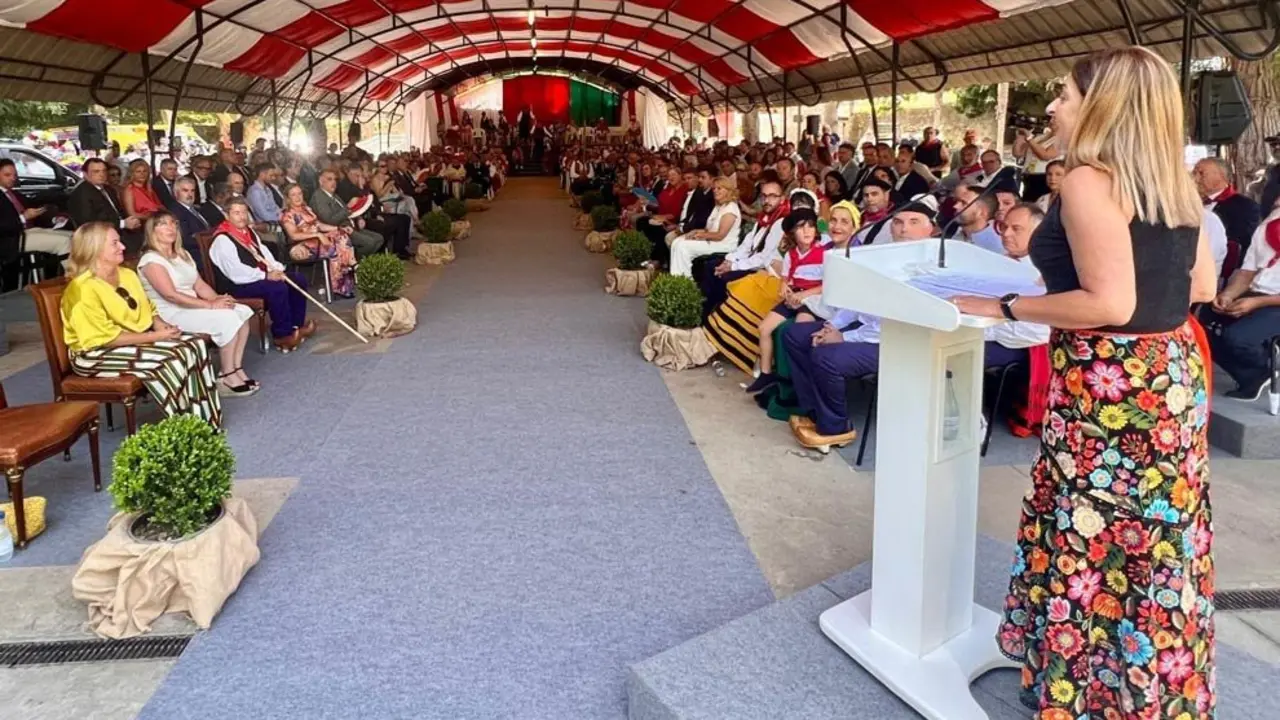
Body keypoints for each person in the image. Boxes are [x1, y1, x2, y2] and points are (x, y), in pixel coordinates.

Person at [950, 47, 1218, 716]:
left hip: (1111, 384)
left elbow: (1108, 304)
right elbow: (1201, 286)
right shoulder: (1175, 182)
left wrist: (1007, 307)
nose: (1055, 107)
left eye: (1066, 95)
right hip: (1171, 374)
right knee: (1153, 539)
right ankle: (1145, 693)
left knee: (1091, 533)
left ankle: (1085, 689)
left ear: (1103, 106)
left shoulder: (1090, 181)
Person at [781, 197, 939, 450]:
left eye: (913, 222)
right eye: (898, 222)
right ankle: (815, 412)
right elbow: (858, 302)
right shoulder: (885, 258)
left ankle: (836, 428)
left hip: (897, 341)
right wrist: (832, 326)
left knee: (825, 356)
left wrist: (843, 338)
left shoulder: (931, 268)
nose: (904, 229)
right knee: (795, 335)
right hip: (866, 330)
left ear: (931, 228)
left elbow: (889, 325)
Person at [60, 221, 222, 426]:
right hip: (94, 353)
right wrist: (155, 337)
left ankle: (206, 419)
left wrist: (159, 324)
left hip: (131, 340)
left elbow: (147, 307)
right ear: (95, 249)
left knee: (193, 344)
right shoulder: (82, 289)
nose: (123, 247)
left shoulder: (126, 274)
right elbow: (103, 338)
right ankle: (184, 425)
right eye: (115, 243)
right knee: (169, 358)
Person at [136, 213, 257, 397]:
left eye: (173, 224)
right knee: (228, 319)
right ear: (152, 231)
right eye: (163, 225)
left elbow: (199, 284)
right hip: (171, 313)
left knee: (241, 311)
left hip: (193, 305)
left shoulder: (182, 254)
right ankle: (227, 376)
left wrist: (219, 300)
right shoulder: (151, 260)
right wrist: (210, 306)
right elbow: (171, 295)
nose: (171, 228)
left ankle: (235, 368)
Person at [208, 198, 313, 352]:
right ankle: (282, 335)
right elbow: (236, 272)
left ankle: (295, 325)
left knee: (297, 279)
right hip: (237, 285)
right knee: (277, 288)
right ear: (226, 215)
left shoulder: (248, 232)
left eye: (244, 212)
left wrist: (277, 269)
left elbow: (263, 252)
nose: (242, 216)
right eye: (236, 213)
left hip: (255, 277)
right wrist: (266, 276)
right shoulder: (223, 239)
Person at [744, 208, 827, 393]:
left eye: (810, 226)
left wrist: (804, 296)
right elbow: (786, 277)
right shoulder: (791, 254)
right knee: (764, 328)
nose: (806, 231)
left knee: (799, 330)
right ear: (792, 233)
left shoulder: (823, 254)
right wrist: (785, 287)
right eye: (800, 227)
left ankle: (799, 379)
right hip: (794, 296)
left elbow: (827, 285)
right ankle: (766, 374)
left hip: (813, 300)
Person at [1203, 208, 1280, 399]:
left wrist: (1257, 303)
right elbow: (1247, 272)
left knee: (1238, 338)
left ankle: (1267, 369)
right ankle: (1253, 376)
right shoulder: (1270, 223)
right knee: (1200, 323)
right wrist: (1228, 295)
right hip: (1257, 293)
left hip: (1273, 301)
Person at [278, 183, 357, 298]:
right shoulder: (287, 215)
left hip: (317, 242)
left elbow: (319, 225)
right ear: (288, 198)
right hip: (300, 246)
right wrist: (318, 235)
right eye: (293, 195)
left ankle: (345, 279)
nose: (298, 197)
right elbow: (294, 236)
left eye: (299, 193)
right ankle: (349, 271)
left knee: (341, 235)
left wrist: (338, 228)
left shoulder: (307, 209)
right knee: (336, 248)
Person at [0, 158, 71, 262]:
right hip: (10, 240)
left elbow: (33, 205)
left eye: (14, 175)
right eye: (7, 175)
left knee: (74, 236)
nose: (13, 178)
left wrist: (53, 218)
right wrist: (23, 218)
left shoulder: (13, 193)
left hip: (27, 231)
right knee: (64, 242)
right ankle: (74, 275)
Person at [668, 177, 741, 277]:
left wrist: (700, 235)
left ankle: (684, 281)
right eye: (714, 189)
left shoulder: (731, 208)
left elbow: (720, 235)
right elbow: (709, 229)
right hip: (712, 241)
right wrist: (695, 231)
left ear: (728, 191)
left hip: (723, 245)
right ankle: (676, 277)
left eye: (719, 188)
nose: (715, 191)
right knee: (677, 241)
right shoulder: (718, 206)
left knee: (683, 246)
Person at [68, 158, 143, 251]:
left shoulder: (108, 189)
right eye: (96, 171)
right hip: (98, 237)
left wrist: (131, 221)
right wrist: (122, 224)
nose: (101, 174)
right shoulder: (82, 193)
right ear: (85, 174)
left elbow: (119, 211)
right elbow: (88, 224)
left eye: (104, 171)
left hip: (119, 230)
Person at [311, 169, 384, 258]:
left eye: (335, 179)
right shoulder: (319, 197)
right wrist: (348, 207)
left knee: (379, 238)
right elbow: (329, 220)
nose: (334, 182)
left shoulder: (333, 195)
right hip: (338, 231)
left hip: (350, 227)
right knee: (370, 243)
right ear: (321, 181)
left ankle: (360, 262)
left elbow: (348, 212)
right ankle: (352, 262)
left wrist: (359, 218)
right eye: (330, 179)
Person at [950, 183, 1004, 254]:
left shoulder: (995, 248)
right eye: (957, 201)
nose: (955, 206)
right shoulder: (959, 232)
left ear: (982, 212)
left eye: (964, 203)